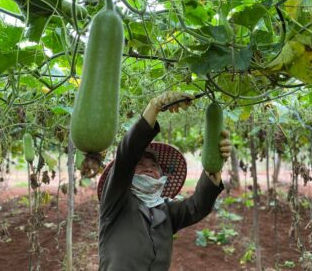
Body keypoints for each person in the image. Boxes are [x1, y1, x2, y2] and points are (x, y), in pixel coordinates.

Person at [97, 91, 230, 271]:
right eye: (141, 163)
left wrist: (213, 170)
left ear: (161, 176)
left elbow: (198, 207)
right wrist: (154, 107)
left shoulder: (166, 211)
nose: (149, 167)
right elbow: (126, 157)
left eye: (154, 165)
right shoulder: (115, 202)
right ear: (129, 174)